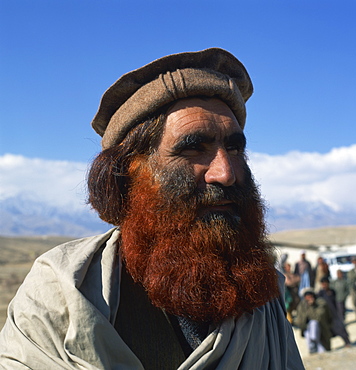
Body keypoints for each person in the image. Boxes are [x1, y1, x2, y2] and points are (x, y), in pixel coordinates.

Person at [0, 48, 304, 369]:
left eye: (233, 147)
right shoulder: (62, 295)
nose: (225, 173)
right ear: (132, 171)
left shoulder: (259, 292)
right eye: (193, 148)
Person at [294, 289, 333, 354]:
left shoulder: (320, 303)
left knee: (314, 323)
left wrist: (311, 306)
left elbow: (318, 317)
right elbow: (300, 320)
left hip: (322, 328)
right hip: (307, 329)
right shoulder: (302, 305)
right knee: (309, 335)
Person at [318, 277, 351, 347]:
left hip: (334, 314)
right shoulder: (320, 294)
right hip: (326, 316)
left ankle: (347, 342)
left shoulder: (332, 292)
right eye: (323, 284)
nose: (324, 285)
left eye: (325, 284)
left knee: (340, 328)